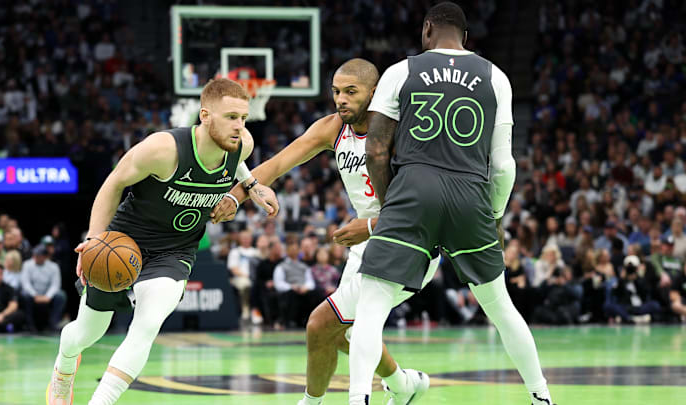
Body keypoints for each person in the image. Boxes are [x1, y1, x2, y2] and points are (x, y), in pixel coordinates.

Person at [345, 3, 555, 404]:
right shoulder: (496, 77)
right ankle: (541, 396)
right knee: (501, 307)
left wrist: (392, 207)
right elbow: (505, 165)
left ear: (427, 30)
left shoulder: (400, 72)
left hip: (413, 191)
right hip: (469, 196)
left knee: (372, 304)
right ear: (466, 37)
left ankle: (359, 400)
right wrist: (493, 214)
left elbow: (374, 151)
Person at [211, 58, 439, 405]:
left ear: (374, 93)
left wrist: (370, 225)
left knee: (322, 324)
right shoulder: (333, 128)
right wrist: (237, 195)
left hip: (408, 241)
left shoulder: (401, 130)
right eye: (336, 92)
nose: (341, 99)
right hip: (369, 242)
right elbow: (275, 165)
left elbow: (426, 202)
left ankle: (318, 401)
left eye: (351, 91)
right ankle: (403, 384)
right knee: (335, 330)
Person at [46, 78, 279, 405]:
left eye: (243, 117)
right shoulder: (163, 149)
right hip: (124, 242)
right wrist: (94, 240)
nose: (239, 126)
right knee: (87, 332)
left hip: (175, 251)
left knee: (148, 323)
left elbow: (237, 162)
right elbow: (113, 183)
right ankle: (64, 368)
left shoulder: (243, 143)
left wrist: (251, 186)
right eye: (230, 117)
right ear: (205, 115)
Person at [21, 244, 66, 332]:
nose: (36, 257)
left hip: (47, 296)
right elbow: (26, 284)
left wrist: (48, 296)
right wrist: (35, 295)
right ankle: (29, 324)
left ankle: (53, 323)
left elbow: (55, 284)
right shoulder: (27, 265)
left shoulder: (53, 266)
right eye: (34, 255)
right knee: (24, 295)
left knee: (61, 295)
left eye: (38, 255)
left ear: (45, 256)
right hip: (33, 295)